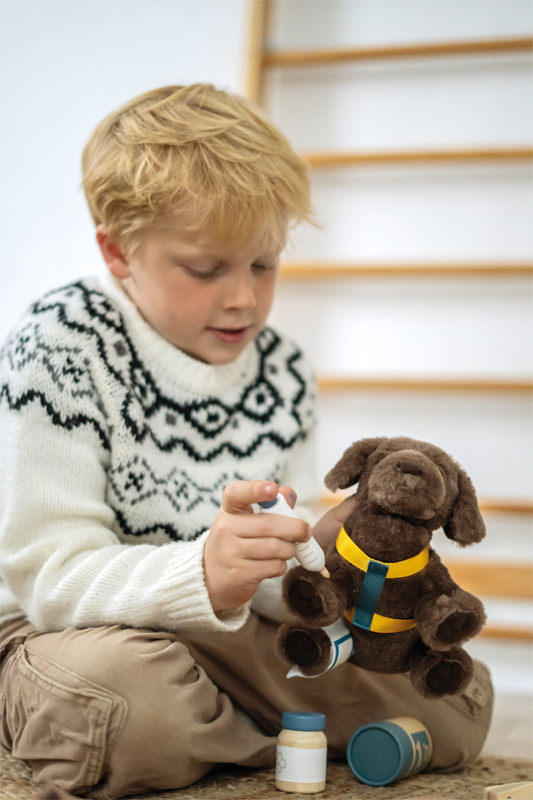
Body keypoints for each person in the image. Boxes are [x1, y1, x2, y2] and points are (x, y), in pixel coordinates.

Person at [0, 84, 492, 800]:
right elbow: (47, 579)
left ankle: (222, 737)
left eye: (263, 264)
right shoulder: (61, 346)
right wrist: (199, 571)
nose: (243, 298)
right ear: (117, 252)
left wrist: (340, 574)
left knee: (455, 703)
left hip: (222, 640)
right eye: (206, 269)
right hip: (64, 632)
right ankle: (258, 736)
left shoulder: (283, 370)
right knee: (127, 706)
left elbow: (283, 583)